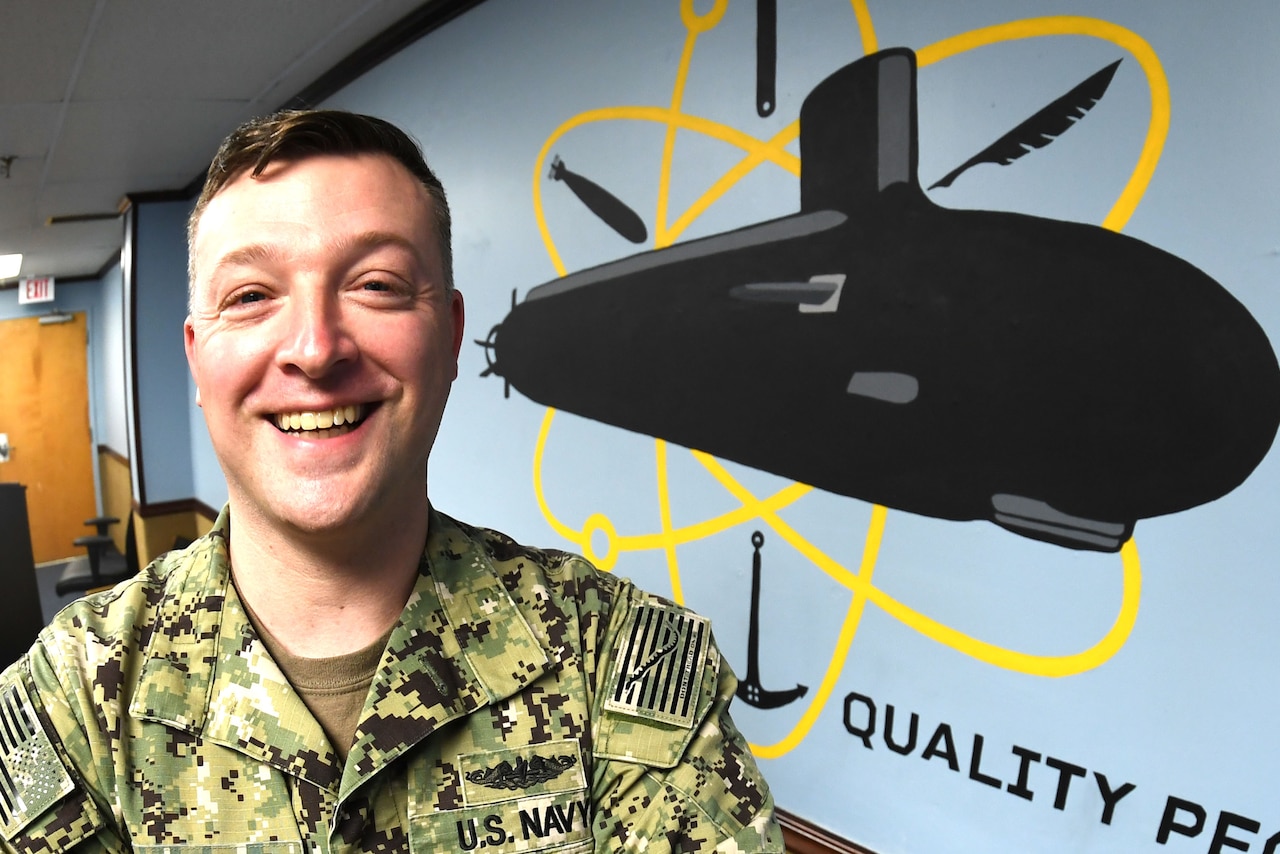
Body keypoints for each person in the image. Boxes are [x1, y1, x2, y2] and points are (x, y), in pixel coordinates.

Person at [0, 110, 783, 853]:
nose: (314, 348)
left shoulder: (619, 660)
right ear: (198, 357)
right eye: (251, 296)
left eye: (374, 284)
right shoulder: (75, 697)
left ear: (446, 338)